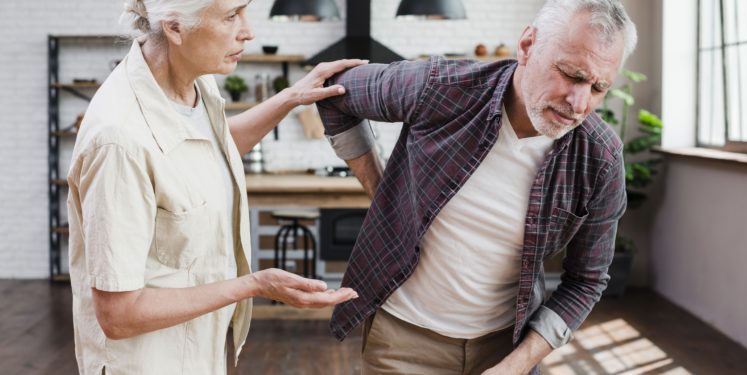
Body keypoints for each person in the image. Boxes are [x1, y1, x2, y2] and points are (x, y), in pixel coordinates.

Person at [316, 0, 636, 374]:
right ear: (528, 45)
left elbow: (586, 281)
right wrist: (381, 189)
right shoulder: (441, 86)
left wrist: (516, 365)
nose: (579, 103)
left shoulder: (601, 156)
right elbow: (334, 91)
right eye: (571, 74)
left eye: (599, 88)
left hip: (505, 348)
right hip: (402, 339)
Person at [66, 0, 365, 373]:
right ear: (175, 29)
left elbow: (210, 148)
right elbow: (118, 315)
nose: (248, 31)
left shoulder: (194, 83)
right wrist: (254, 284)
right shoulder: (118, 141)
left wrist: (291, 97)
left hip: (198, 351)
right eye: (231, 15)